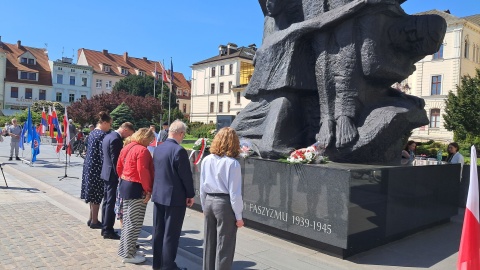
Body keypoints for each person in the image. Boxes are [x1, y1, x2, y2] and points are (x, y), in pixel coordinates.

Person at [152, 120, 195, 270]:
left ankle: (157, 264)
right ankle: (168, 266)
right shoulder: (179, 151)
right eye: (183, 134)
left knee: (158, 232)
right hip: (174, 198)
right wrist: (190, 194)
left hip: (159, 195)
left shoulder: (159, 148)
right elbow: (186, 176)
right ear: (181, 133)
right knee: (171, 234)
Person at [200, 127, 244, 270]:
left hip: (209, 201)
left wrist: (204, 207)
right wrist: (239, 216)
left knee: (209, 242)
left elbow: (202, 187)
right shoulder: (232, 163)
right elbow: (235, 193)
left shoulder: (206, 159)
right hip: (224, 204)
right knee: (225, 245)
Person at [117, 128, 155, 264]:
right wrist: (148, 190)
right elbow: (143, 171)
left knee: (127, 220)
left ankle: (126, 249)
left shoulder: (128, 146)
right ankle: (128, 254)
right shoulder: (142, 150)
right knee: (134, 222)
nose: (151, 142)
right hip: (136, 186)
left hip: (125, 184)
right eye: (150, 140)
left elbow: (119, 166)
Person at [101, 122, 135, 240]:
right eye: (129, 134)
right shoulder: (116, 139)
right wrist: (121, 175)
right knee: (110, 202)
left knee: (106, 202)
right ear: (125, 129)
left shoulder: (108, 136)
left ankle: (105, 227)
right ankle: (108, 230)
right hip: (112, 175)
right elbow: (117, 161)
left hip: (106, 172)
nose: (128, 137)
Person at [81, 111, 112, 229]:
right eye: (109, 124)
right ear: (104, 123)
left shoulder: (93, 133)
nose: (110, 127)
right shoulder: (102, 135)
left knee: (92, 193)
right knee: (96, 195)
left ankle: (91, 218)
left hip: (89, 165)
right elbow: (103, 154)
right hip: (97, 167)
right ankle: (94, 221)